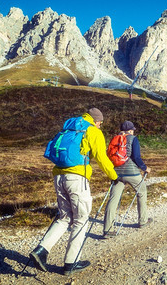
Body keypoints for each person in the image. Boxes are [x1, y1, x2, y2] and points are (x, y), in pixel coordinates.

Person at [30, 108, 118, 276]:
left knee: (64, 217)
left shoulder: (70, 127)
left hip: (59, 176)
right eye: (100, 122)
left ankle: (41, 250)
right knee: (81, 219)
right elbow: (101, 156)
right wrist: (114, 176)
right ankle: (71, 262)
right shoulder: (93, 131)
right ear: (96, 121)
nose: (100, 125)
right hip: (77, 179)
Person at [103, 120, 151, 237]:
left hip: (116, 173)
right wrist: (145, 168)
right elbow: (136, 157)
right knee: (142, 192)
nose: (133, 132)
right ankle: (143, 221)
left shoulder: (115, 139)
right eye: (133, 130)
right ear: (130, 130)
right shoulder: (133, 139)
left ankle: (107, 229)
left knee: (113, 198)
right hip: (132, 172)